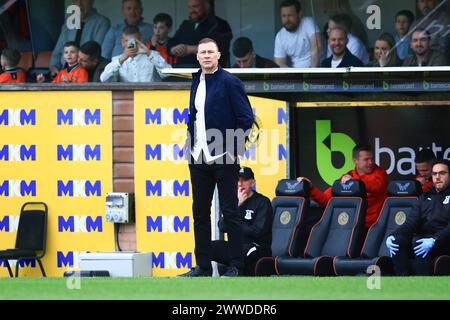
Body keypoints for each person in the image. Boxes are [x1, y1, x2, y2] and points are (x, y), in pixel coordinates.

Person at [179, 38, 254, 277]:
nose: (207, 56)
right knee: (199, 212)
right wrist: (188, 142)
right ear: (198, 56)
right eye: (203, 52)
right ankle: (202, 266)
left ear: (219, 55)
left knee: (230, 213)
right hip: (198, 156)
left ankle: (236, 266)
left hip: (224, 155)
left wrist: (234, 148)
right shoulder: (195, 80)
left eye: (211, 51)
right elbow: (195, 115)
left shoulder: (230, 81)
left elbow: (245, 118)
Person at [297, 144, 388, 231]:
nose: (371, 162)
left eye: (372, 159)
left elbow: (374, 186)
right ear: (355, 161)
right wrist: (310, 187)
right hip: (351, 224)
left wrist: (354, 181)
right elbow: (326, 200)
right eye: (366, 159)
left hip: (374, 226)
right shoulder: (348, 176)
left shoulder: (380, 173)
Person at [386, 159, 450, 275]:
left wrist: (435, 239)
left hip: (444, 241)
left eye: (442, 173)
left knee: (417, 241)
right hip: (425, 240)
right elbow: (411, 222)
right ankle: (402, 282)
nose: (437, 177)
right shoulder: (424, 197)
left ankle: (424, 283)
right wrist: (393, 235)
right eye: (434, 174)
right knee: (398, 241)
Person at [211, 167, 273, 276]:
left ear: (252, 182)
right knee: (206, 247)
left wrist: (235, 226)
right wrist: (236, 206)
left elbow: (257, 231)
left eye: (244, 180)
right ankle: (204, 274)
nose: (240, 184)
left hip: (256, 246)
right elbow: (222, 226)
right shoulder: (233, 202)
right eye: (237, 180)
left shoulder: (262, 202)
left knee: (248, 252)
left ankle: (238, 272)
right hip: (235, 245)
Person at [50, 0, 110, 75]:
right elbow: (57, 53)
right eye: (76, 0)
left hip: (86, 73)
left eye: (83, 0)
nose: (79, 3)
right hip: (65, 73)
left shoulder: (102, 22)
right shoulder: (69, 23)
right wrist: (54, 67)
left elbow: (95, 53)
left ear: (91, 1)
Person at [167, 0, 233, 68]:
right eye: (189, 7)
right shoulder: (185, 25)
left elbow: (220, 49)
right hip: (181, 71)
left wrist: (190, 49)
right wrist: (174, 49)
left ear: (207, 6)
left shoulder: (220, 25)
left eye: (195, 6)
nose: (191, 10)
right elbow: (171, 43)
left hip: (208, 71)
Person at [100, 26, 171, 83]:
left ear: (141, 40)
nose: (131, 44)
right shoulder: (117, 59)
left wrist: (149, 53)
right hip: (128, 99)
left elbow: (168, 73)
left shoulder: (153, 55)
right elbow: (103, 79)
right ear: (122, 42)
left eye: (134, 41)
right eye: (127, 41)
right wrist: (122, 59)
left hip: (151, 98)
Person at [274, 0, 322, 68]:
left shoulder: (308, 23)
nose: (287, 19)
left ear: (299, 14)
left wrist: (311, 72)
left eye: (290, 15)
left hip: (317, 69)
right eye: (284, 16)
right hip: (296, 73)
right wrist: (291, 76)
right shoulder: (280, 36)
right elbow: (279, 62)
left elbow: (317, 47)